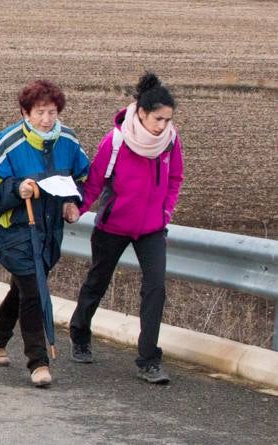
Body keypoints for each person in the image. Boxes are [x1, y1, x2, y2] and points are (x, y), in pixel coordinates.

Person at [70, 73, 183, 385]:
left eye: (168, 119)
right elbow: (94, 184)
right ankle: (79, 335)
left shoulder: (171, 141)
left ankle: (148, 360)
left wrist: (165, 210)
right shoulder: (116, 141)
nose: (163, 125)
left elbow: (175, 179)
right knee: (98, 280)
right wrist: (76, 210)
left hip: (151, 228)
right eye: (158, 119)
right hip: (114, 225)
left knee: (155, 289)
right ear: (142, 113)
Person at [0, 80, 90, 388]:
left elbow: (83, 177)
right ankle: (38, 361)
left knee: (24, 288)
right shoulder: (9, 141)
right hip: (14, 229)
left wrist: (72, 202)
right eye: (40, 112)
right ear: (26, 113)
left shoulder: (68, 141)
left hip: (48, 232)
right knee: (34, 288)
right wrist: (17, 188)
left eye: (52, 112)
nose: (46, 119)